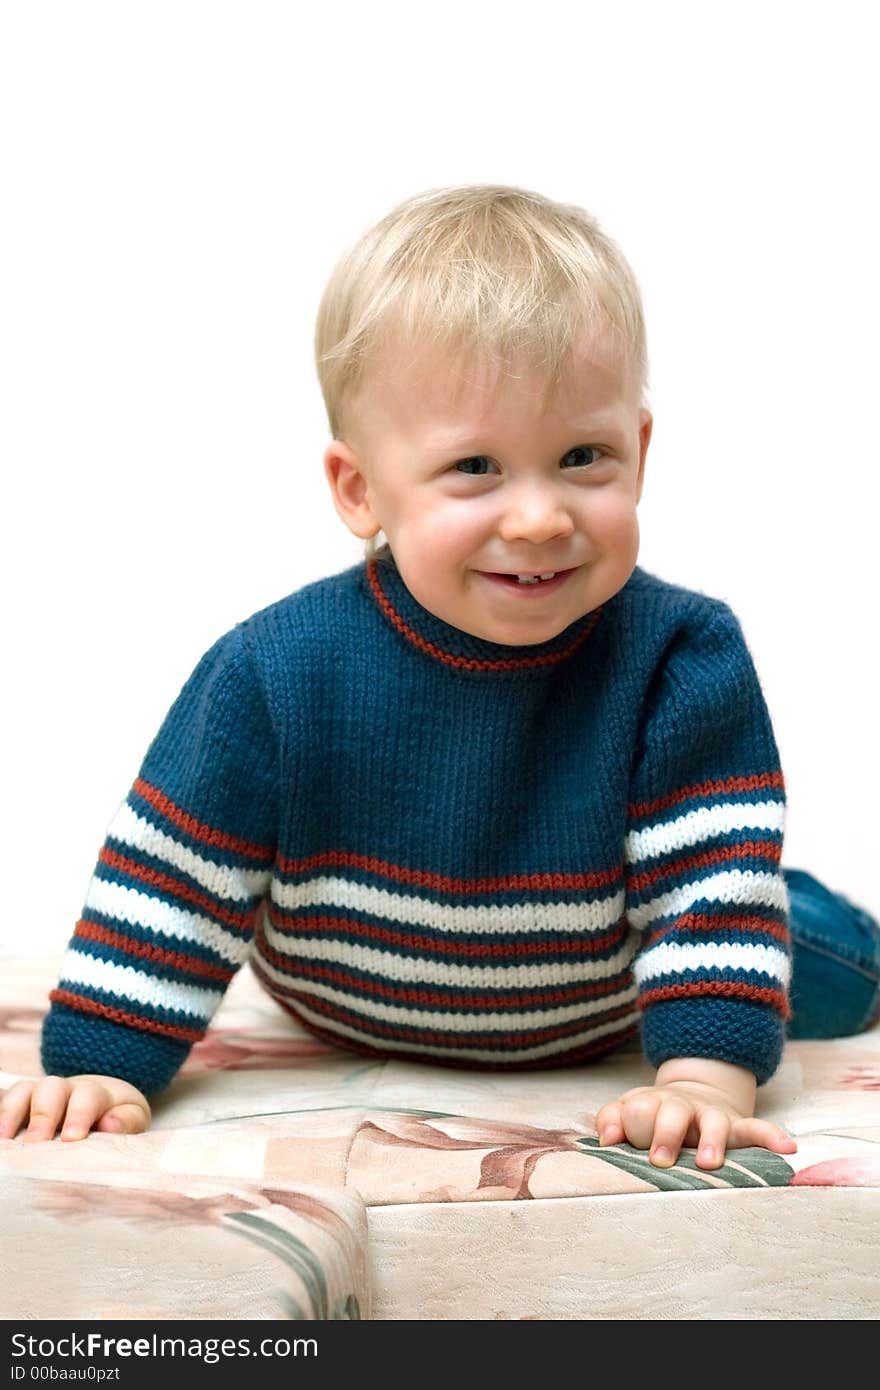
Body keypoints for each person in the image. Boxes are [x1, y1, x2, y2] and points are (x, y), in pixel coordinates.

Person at [2, 184, 878, 1168]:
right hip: (352, 995)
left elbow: (707, 890)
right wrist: (101, 1062)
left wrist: (698, 1078)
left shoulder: (679, 652)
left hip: (601, 989)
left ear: (639, 451)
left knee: (802, 944)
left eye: (582, 456)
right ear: (361, 489)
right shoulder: (276, 669)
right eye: (475, 467)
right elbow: (177, 878)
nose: (540, 517)